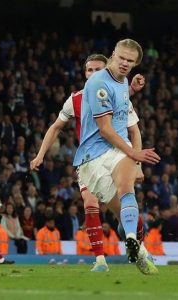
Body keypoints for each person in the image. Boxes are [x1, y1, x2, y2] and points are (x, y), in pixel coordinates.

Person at [30, 54, 151, 273]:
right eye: (89, 70)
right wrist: (40, 155)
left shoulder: (120, 95)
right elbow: (56, 127)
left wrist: (138, 163)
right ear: (85, 74)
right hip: (90, 161)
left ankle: (140, 249)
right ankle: (101, 260)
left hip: (116, 158)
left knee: (121, 210)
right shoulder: (75, 99)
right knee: (89, 202)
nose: (93, 74)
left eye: (98, 70)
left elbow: (134, 130)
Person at [73, 39, 160, 274]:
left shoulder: (121, 83)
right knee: (120, 208)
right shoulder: (97, 83)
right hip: (93, 159)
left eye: (130, 61)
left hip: (116, 153)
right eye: (121, 58)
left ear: (135, 64)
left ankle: (132, 239)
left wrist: (131, 89)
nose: (124, 63)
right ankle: (137, 251)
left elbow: (130, 125)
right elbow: (106, 129)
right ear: (113, 54)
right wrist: (133, 152)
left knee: (127, 191)